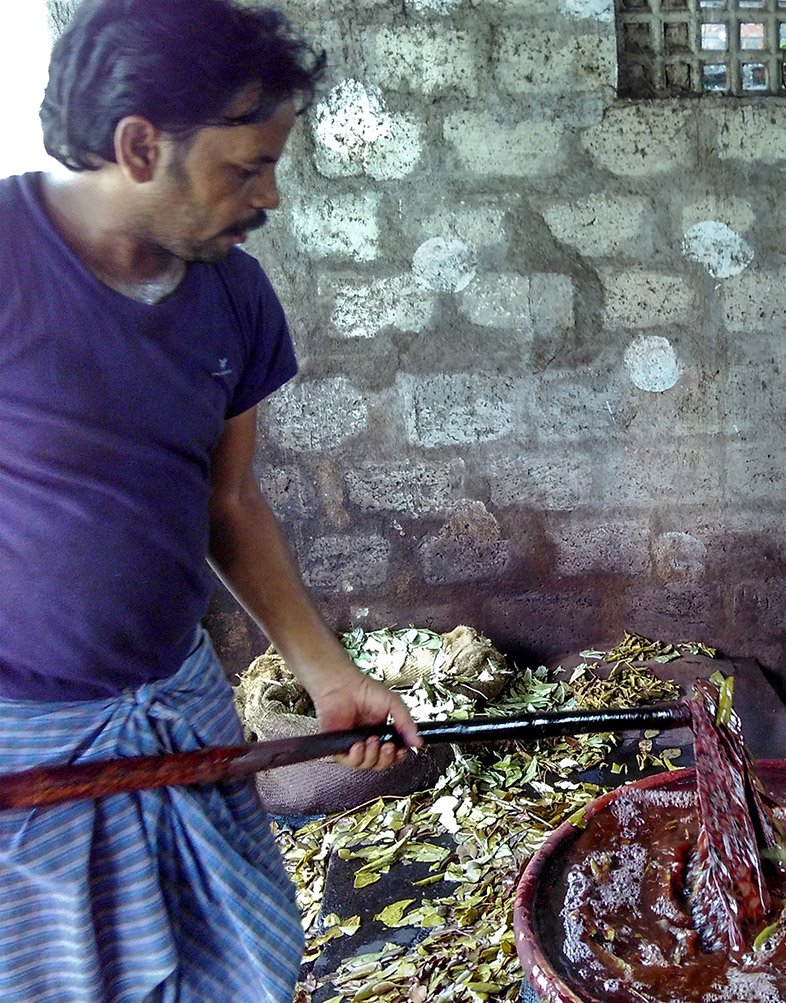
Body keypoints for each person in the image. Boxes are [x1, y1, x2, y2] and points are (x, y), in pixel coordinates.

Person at [0, 1, 423, 999]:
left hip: (177, 707)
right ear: (140, 145)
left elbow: (229, 504)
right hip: (27, 738)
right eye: (245, 167)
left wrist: (327, 671)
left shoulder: (232, 296)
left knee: (240, 960)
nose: (269, 196)